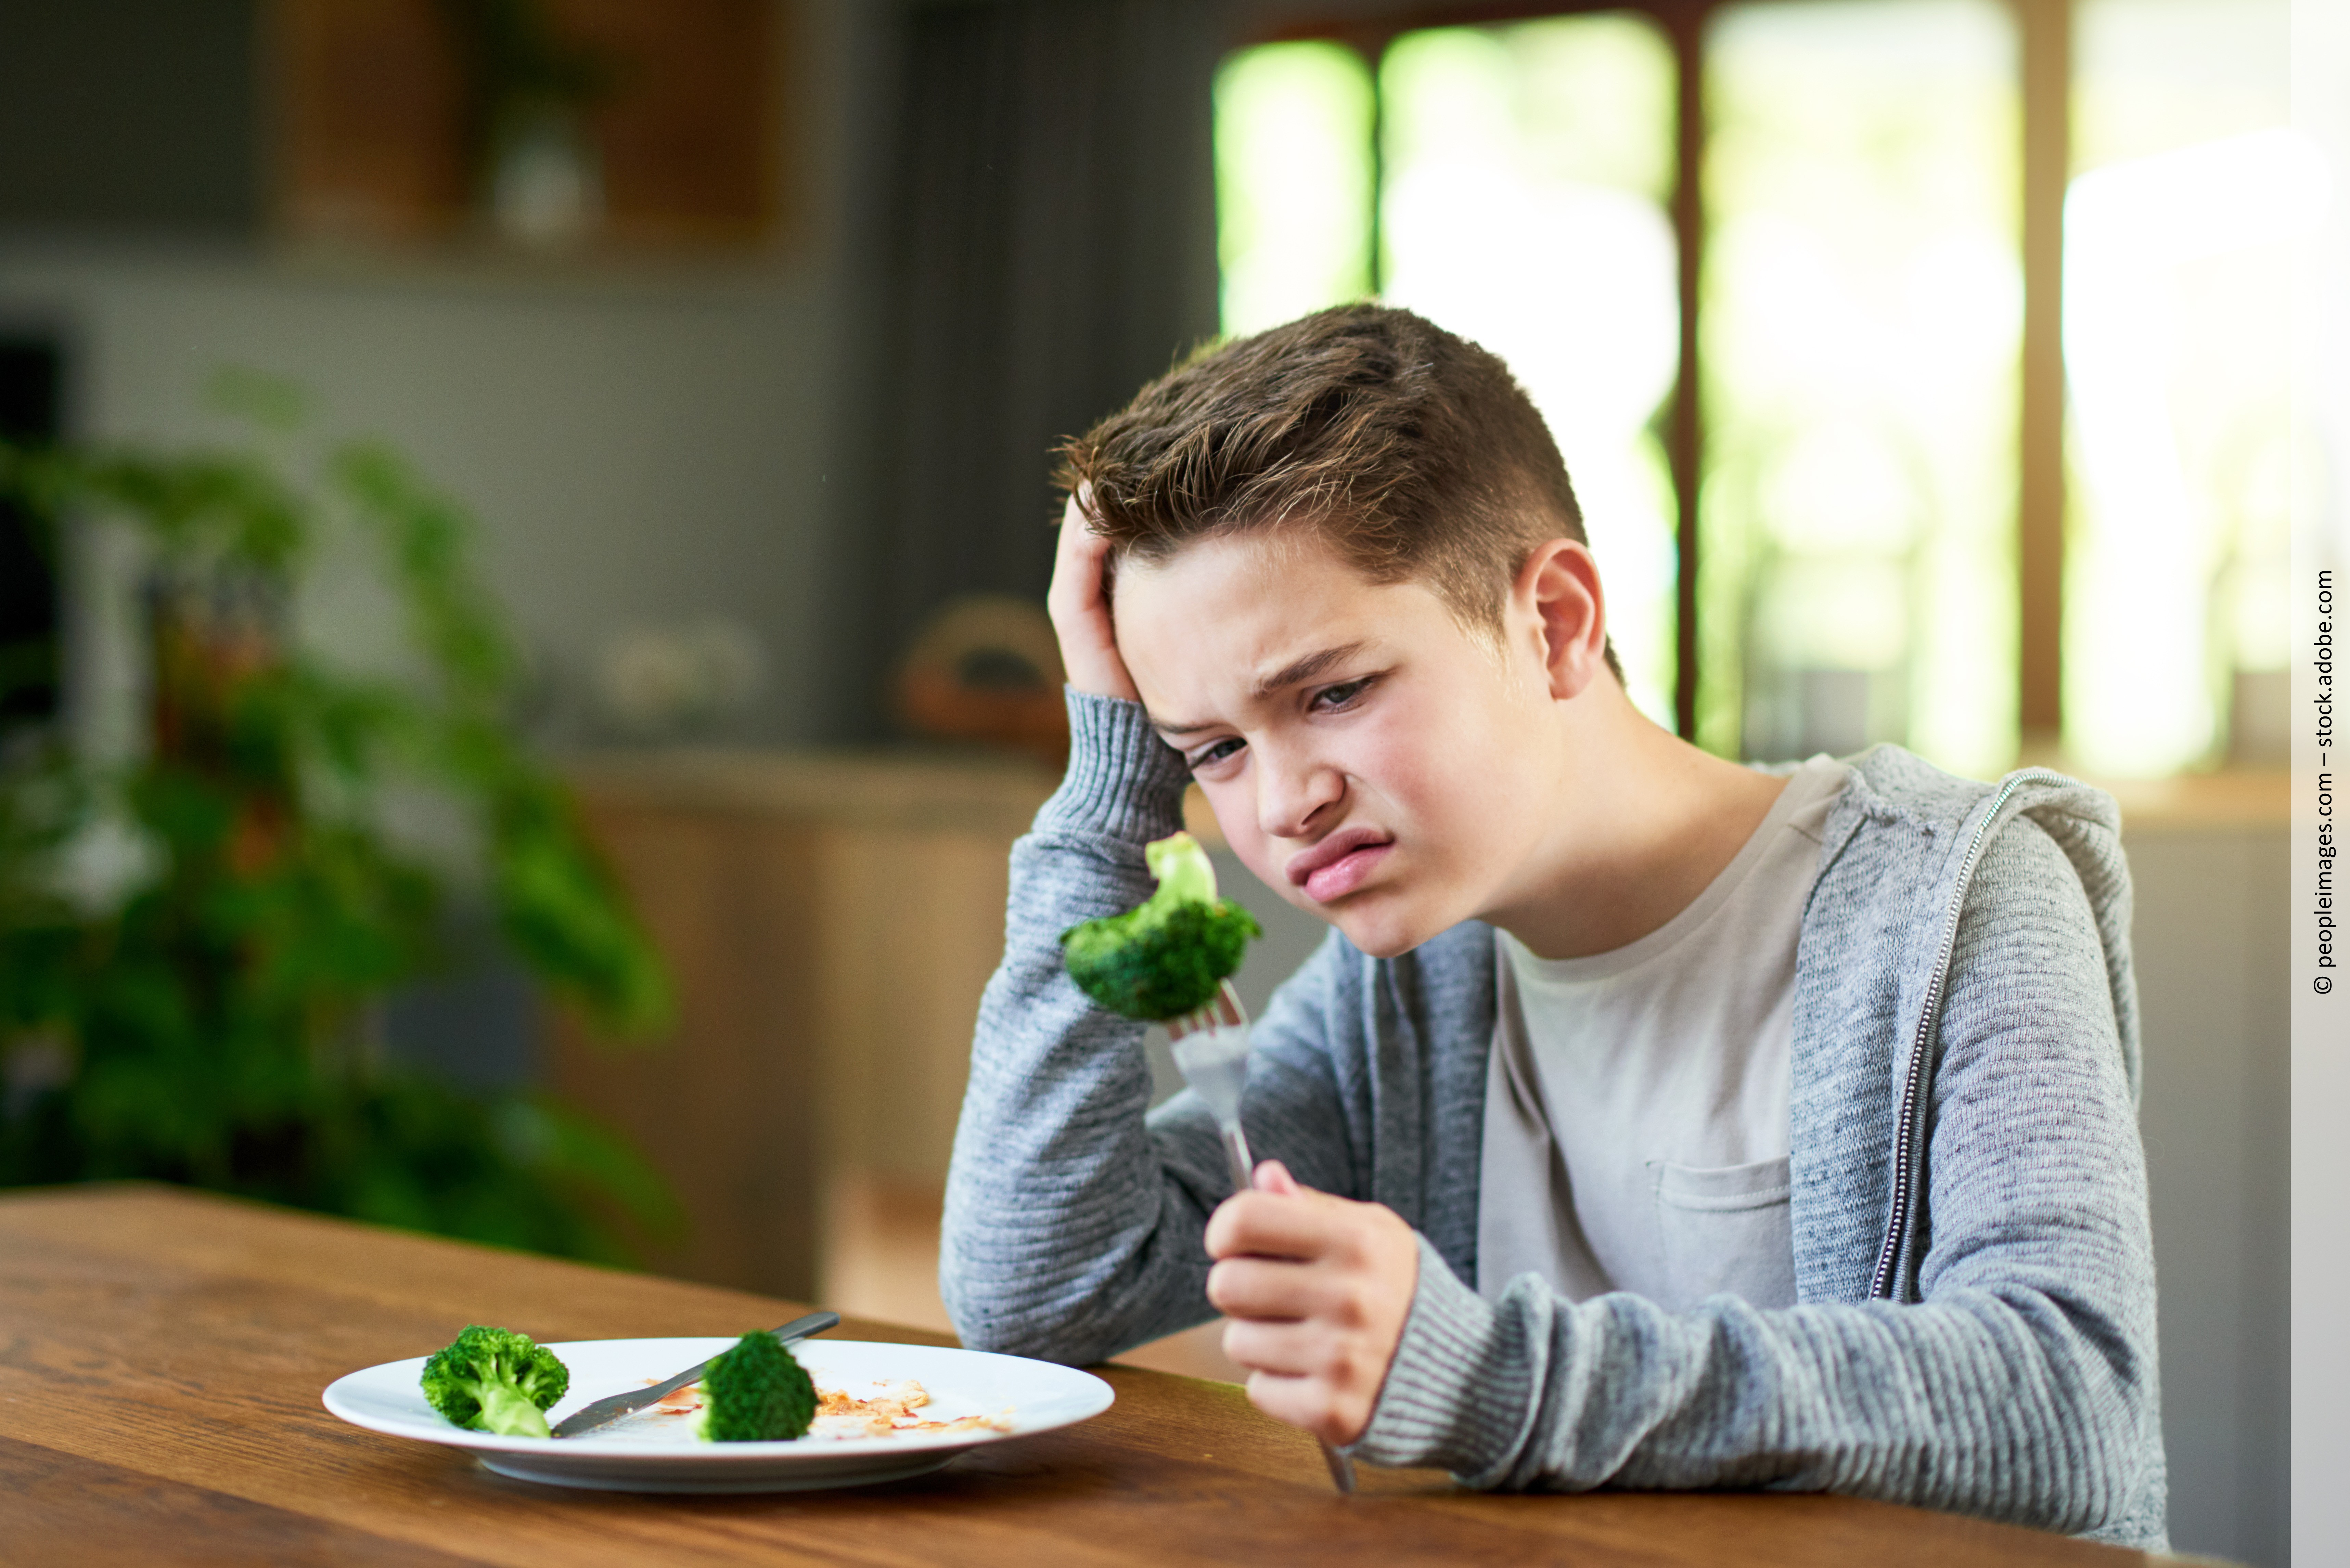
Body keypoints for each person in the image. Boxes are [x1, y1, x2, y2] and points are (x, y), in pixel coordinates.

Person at [940, 305, 2165, 1549]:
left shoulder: (1952, 899)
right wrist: (1109, 788)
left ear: (1558, 623)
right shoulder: (1410, 991)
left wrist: (1486, 1378)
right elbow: (1041, 1293)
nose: (1283, 802)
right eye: (1212, 750)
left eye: (1336, 692)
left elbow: (2071, 1410)